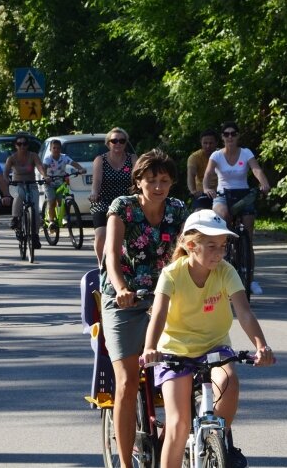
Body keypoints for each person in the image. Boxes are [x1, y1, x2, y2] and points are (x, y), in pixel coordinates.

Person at [142, 210, 275, 468]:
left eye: (223, 247)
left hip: (215, 347)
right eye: (212, 246)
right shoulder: (172, 274)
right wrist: (150, 348)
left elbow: (244, 313)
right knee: (178, 426)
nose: (219, 253)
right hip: (175, 351)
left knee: (229, 382)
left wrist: (261, 345)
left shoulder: (226, 271)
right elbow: (158, 315)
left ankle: (219, 441)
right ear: (191, 246)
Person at [100, 149, 187, 468]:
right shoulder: (122, 208)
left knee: (188, 369)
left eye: (164, 180)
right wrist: (121, 289)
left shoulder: (177, 210)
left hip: (165, 296)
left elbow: (185, 253)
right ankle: (125, 464)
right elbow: (111, 254)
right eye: (151, 180)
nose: (158, 187)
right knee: (126, 380)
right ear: (138, 181)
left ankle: (184, 438)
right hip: (123, 297)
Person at [203, 121, 271, 295]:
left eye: (233, 133)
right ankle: (225, 252)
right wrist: (206, 188)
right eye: (226, 134)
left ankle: (250, 278)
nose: (230, 137)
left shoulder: (246, 153)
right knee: (223, 216)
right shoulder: (217, 155)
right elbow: (208, 174)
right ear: (222, 137)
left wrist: (264, 184)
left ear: (238, 136)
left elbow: (256, 170)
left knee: (248, 234)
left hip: (243, 195)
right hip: (223, 195)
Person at [89, 127, 138, 265]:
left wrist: (139, 192)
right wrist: (94, 193)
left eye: (121, 141)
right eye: (114, 140)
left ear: (126, 143)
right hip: (104, 200)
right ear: (108, 143)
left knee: (134, 234)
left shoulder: (133, 158)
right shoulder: (100, 160)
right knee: (101, 234)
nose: (118, 144)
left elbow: (138, 179)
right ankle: (101, 266)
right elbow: (97, 181)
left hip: (126, 201)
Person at [4, 135, 48, 250]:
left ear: (28, 145)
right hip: (16, 184)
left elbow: (40, 166)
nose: (22, 146)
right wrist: (7, 180)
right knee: (19, 195)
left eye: (24, 144)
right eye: (19, 144)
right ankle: (15, 219)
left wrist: (45, 175)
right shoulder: (12, 158)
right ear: (15, 146)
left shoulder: (33, 155)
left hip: (31, 184)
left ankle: (35, 236)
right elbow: (5, 173)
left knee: (35, 211)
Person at [42, 139, 86, 230]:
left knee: (61, 200)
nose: (56, 150)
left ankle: (64, 218)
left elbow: (73, 163)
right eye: (54, 148)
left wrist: (81, 169)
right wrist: (45, 176)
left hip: (60, 182)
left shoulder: (64, 157)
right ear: (50, 149)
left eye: (58, 148)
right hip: (49, 183)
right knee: (52, 200)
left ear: (60, 149)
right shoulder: (48, 159)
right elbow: (44, 168)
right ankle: (51, 221)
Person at [187, 129, 219, 210]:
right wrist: (193, 191)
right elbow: (191, 175)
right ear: (201, 143)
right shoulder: (194, 157)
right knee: (198, 212)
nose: (208, 146)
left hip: (220, 192)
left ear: (216, 143)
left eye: (211, 143)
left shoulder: (222, 155)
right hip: (202, 193)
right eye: (205, 143)